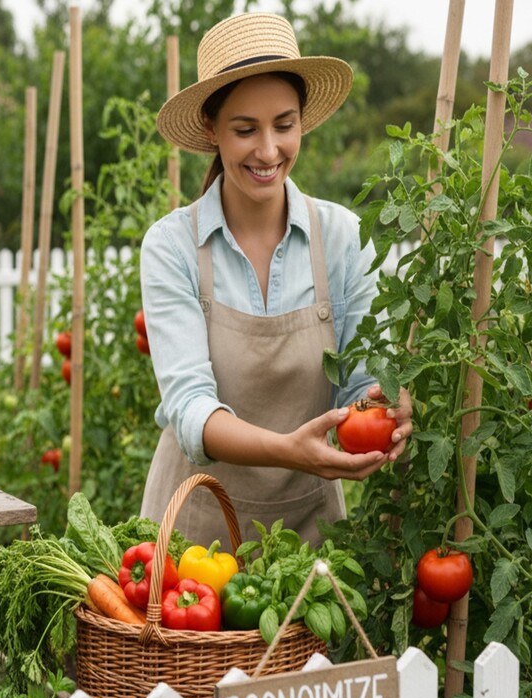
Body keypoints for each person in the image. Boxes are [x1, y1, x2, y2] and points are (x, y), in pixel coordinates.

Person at [139, 12, 413, 546]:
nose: (268, 151)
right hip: (192, 531)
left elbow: (361, 383)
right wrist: (290, 449)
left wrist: (389, 403)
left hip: (310, 533)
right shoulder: (173, 246)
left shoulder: (342, 237)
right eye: (245, 130)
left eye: (284, 126)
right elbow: (191, 408)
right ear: (211, 129)